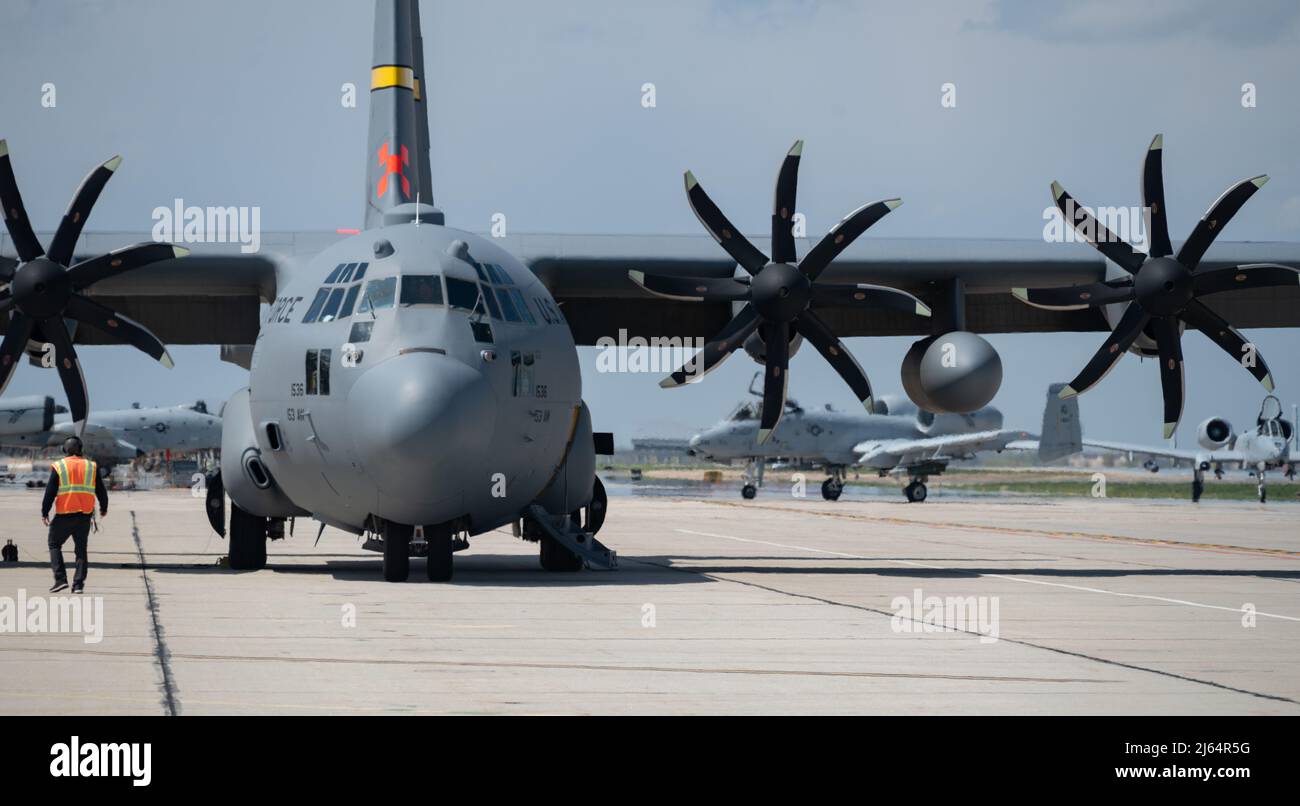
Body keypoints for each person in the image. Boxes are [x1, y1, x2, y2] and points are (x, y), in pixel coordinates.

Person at [41, 437, 109, 594]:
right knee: (81, 550)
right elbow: (101, 491)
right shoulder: (91, 466)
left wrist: (45, 512)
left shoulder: (60, 466)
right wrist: (103, 508)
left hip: (64, 514)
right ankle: (78, 585)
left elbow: (50, 492)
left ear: (65, 449)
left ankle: (60, 580)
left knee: (54, 544)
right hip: (84, 515)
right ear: (81, 449)